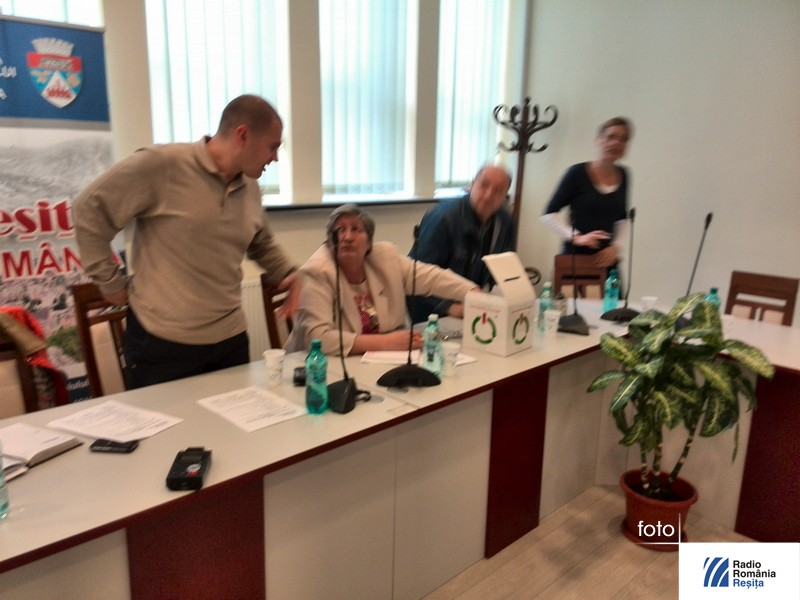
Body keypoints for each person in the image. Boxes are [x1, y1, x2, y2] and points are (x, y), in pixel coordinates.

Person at [73, 94, 301, 389]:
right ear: (243, 135)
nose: (276, 158)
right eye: (272, 146)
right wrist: (109, 282)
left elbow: (262, 243)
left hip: (229, 341)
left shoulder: (250, 186)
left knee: (235, 420)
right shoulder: (162, 165)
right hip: (163, 345)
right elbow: (88, 209)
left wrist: (291, 274)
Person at [284, 204, 476, 356]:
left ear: (369, 242)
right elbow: (319, 339)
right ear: (329, 242)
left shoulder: (386, 258)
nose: (347, 237)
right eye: (340, 230)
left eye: (356, 229)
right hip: (316, 369)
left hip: (373, 362)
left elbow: (432, 278)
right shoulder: (316, 272)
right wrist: (387, 343)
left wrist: (473, 293)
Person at [406, 164, 515, 324]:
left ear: (505, 196)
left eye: (498, 191)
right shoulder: (443, 218)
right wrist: (450, 307)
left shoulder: (504, 222)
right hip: (431, 312)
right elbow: (416, 275)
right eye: (484, 186)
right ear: (472, 185)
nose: (488, 195)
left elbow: (503, 271)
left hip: (472, 306)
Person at [540, 117, 632, 268]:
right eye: (611, 137)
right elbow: (548, 214)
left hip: (607, 262)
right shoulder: (576, 173)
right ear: (598, 140)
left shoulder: (624, 174)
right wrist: (577, 237)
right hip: (576, 262)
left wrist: (616, 247)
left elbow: (622, 218)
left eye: (623, 139)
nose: (616, 143)